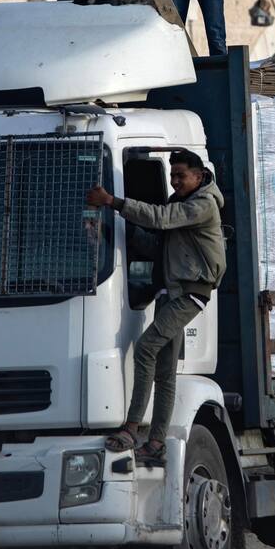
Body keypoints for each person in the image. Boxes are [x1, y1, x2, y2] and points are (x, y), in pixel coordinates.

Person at [85, 150, 226, 464]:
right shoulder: (182, 203)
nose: (175, 181)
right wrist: (111, 231)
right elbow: (156, 246)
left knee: (146, 348)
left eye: (181, 176)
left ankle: (132, 427)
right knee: (165, 372)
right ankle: (157, 441)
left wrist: (114, 203)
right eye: (172, 176)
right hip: (171, 292)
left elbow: (161, 220)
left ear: (199, 176)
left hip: (189, 293)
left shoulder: (202, 205)